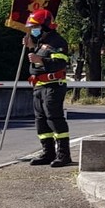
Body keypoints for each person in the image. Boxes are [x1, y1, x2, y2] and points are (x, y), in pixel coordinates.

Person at [23, 8, 73, 167]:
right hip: (39, 86)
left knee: (54, 118)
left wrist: (40, 60)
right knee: (41, 121)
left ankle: (64, 155)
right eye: (31, 28)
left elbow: (60, 63)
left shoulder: (57, 42)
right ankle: (48, 152)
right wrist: (31, 47)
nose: (32, 31)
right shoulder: (40, 43)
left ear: (45, 26)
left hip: (53, 86)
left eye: (35, 27)